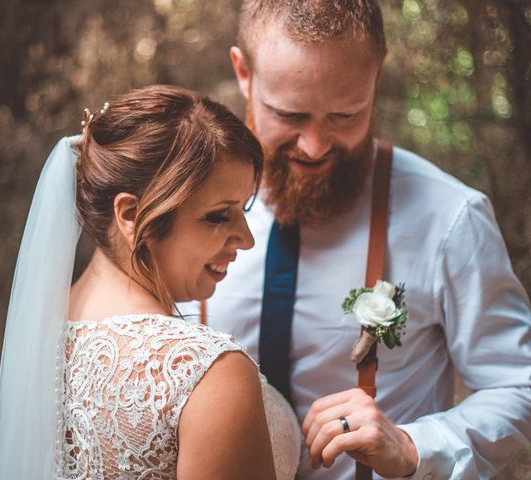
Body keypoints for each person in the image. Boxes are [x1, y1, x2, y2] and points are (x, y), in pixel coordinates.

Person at [180, 1, 531, 478]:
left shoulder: (450, 218)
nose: (315, 145)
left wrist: (414, 446)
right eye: (289, 114)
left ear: (376, 76)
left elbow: (517, 386)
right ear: (243, 72)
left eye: (345, 115)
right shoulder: (179, 208)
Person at [0, 85, 301, 480]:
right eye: (219, 216)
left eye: (244, 210)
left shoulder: (38, 336)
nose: (247, 238)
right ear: (132, 214)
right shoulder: (207, 372)